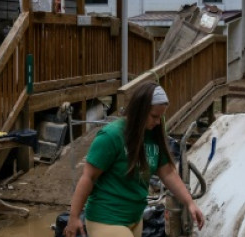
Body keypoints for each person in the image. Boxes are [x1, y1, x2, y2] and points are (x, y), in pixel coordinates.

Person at [65, 82, 205, 237]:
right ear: (140, 111)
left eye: (161, 117)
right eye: (154, 116)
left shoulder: (153, 136)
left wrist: (189, 203)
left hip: (135, 220)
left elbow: (168, 173)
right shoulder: (111, 137)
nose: (158, 122)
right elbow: (88, 178)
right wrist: (74, 217)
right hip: (106, 218)